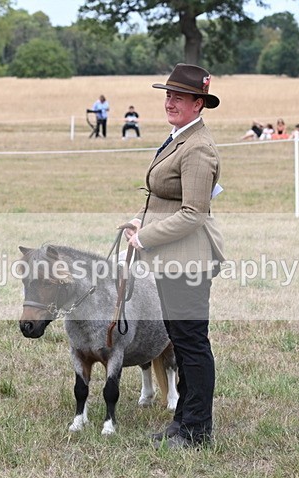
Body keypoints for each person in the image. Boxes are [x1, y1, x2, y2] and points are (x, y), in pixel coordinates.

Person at [122, 63, 225, 450]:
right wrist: (139, 219)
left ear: (199, 104)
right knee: (180, 343)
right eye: (168, 95)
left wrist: (145, 237)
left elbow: (194, 212)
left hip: (189, 261)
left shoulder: (198, 148)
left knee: (192, 344)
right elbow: (167, 196)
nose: (170, 102)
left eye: (179, 97)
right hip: (170, 258)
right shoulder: (177, 137)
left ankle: (197, 429)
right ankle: (182, 420)